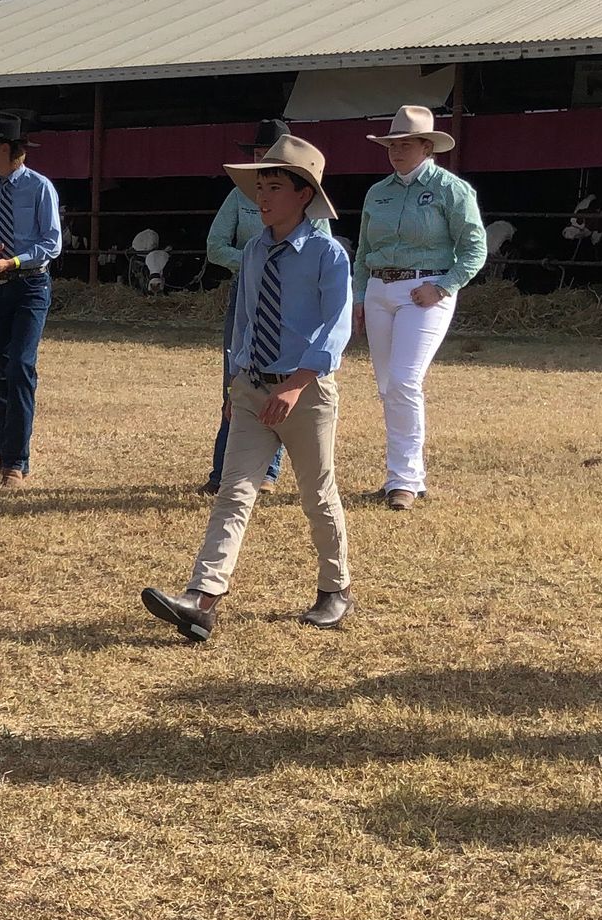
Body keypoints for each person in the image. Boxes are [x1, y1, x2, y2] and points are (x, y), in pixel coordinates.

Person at [142, 136, 354, 644]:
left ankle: (335, 588)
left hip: (306, 394)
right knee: (233, 492)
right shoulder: (255, 250)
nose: (261, 197)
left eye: (274, 187)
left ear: (304, 194)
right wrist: (235, 383)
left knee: (316, 494)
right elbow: (244, 321)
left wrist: (298, 385)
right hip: (252, 389)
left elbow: (336, 328)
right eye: (259, 187)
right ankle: (201, 600)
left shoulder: (328, 254)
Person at [353, 104, 488, 509]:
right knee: (387, 386)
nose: (396, 151)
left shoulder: (451, 189)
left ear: (427, 146)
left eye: (405, 143)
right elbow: (363, 252)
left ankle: (405, 480)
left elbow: (474, 248)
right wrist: (360, 297)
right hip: (379, 289)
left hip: (424, 291)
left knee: (404, 382)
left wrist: (444, 286)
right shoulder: (377, 193)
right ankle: (400, 473)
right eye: (392, 144)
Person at [201, 117, 333, 496]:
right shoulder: (237, 198)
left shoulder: (316, 223)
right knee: (238, 378)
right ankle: (224, 472)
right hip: (248, 293)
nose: (263, 163)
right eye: (259, 155)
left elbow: (317, 254)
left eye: (270, 156)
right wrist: (257, 261)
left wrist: (279, 262)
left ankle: (267, 473)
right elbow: (215, 246)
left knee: (279, 376)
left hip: (294, 304)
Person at [0, 110, 60, 486]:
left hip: (31, 285)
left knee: (20, 366)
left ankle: (17, 462)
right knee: (2, 374)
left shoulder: (40, 188)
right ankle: (5, 462)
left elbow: (51, 243)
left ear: (5, 149)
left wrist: (13, 260)